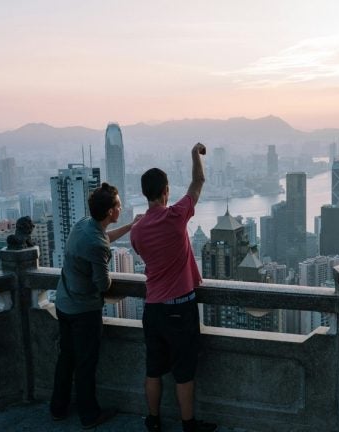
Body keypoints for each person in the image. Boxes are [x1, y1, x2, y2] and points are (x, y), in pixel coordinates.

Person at [131, 143, 217, 432]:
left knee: (153, 369)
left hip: (152, 309)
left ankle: (153, 421)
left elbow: (144, 254)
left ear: (146, 193)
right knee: (183, 371)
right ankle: (189, 425)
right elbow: (198, 182)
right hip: (180, 307)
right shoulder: (176, 216)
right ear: (166, 190)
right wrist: (195, 155)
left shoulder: (137, 230)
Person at [50, 182, 139, 429]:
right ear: (111, 211)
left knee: (66, 358)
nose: (121, 207)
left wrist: (131, 227)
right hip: (83, 312)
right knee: (85, 364)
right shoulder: (97, 246)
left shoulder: (83, 225)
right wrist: (107, 265)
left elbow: (103, 237)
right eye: (119, 205)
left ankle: (58, 408)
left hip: (64, 303)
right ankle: (89, 415)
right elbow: (103, 284)